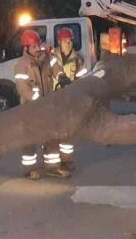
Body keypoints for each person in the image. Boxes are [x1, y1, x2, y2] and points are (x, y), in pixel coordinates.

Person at [14, 29, 72, 180]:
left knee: (51, 136)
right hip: (31, 108)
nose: (36, 48)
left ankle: (52, 167)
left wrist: (61, 77)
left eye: (37, 45)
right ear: (26, 48)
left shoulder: (47, 58)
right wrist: (38, 100)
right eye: (33, 46)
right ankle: (29, 169)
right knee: (30, 140)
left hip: (47, 106)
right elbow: (23, 88)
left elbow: (55, 68)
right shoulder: (22, 65)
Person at [50, 28, 86, 172]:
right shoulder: (52, 57)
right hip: (53, 99)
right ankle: (53, 162)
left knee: (67, 132)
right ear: (60, 42)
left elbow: (82, 78)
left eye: (70, 41)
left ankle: (67, 161)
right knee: (53, 132)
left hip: (69, 99)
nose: (69, 43)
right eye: (66, 41)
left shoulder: (78, 59)